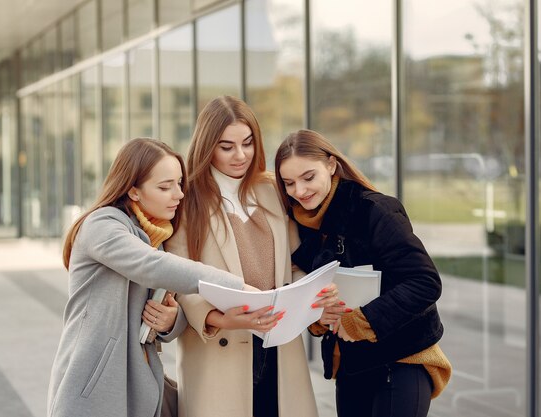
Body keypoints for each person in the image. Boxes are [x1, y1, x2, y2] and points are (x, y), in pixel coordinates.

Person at [47, 138, 246, 417]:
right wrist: (239, 288)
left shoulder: (157, 236)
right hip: (93, 389)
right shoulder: (102, 225)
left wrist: (170, 321)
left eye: (179, 184)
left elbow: (157, 323)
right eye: (165, 187)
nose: (178, 195)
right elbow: (153, 266)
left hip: (140, 384)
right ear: (133, 191)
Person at [274, 129, 452, 417]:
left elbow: (425, 282)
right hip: (351, 365)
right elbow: (311, 288)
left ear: (331, 165)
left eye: (308, 177)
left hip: (402, 361)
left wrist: (362, 320)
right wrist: (318, 315)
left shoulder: (375, 210)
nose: (300, 191)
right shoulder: (303, 226)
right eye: (289, 183)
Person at [165, 96, 323, 417]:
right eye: (227, 147)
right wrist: (221, 319)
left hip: (279, 346)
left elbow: (293, 263)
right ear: (208, 146)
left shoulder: (273, 190)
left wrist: (309, 293)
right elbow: (179, 280)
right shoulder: (187, 200)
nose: (241, 155)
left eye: (248, 143)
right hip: (219, 350)